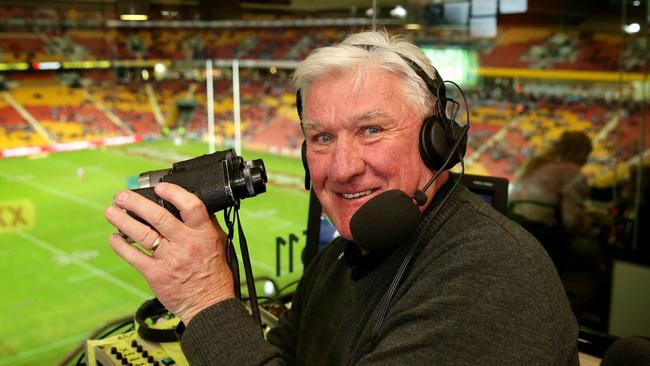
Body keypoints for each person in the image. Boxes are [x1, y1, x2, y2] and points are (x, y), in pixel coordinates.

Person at [105, 30, 578, 365]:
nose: (343, 167)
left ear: (438, 141)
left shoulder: (491, 273)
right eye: (322, 138)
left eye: (371, 130)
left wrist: (204, 301)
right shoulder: (340, 259)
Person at [509, 130, 593, 272]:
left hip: (514, 230)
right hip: (540, 237)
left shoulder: (536, 165)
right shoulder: (571, 172)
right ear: (582, 152)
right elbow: (572, 221)